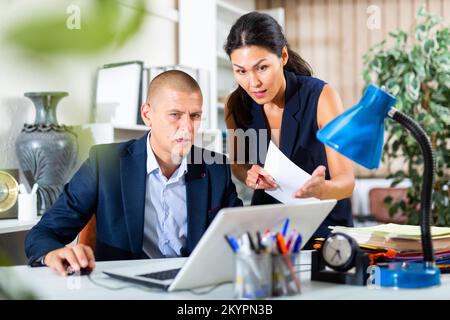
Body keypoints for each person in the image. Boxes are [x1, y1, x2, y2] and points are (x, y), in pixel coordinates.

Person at [25, 70, 243, 275]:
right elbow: (43, 233)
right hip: (125, 287)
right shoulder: (105, 164)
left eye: (195, 116)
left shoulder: (215, 168)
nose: (187, 127)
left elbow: (240, 235)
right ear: (147, 115)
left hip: (192, 286)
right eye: (175, 115)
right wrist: (53, 253)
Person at [223, 12, 354, 248]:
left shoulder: (321, 97)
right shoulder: (236, 105)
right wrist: (250, 176)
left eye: (262, 68)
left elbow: (346, 182)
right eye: (241, 71)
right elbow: (238, 165)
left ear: (282, 56)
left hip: (323, 228)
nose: (253, 83)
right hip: (269, 229)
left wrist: (321, 189)